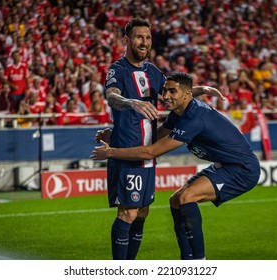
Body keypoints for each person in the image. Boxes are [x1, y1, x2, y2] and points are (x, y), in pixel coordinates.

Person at [91, 72, 260, 259]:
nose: (167, 95)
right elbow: (152, 137)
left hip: (242, 169)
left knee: (187, 197)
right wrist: (114, 137)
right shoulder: (179, 113)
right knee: (176, 201)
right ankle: (186, 260)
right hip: (225, 165)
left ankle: (198, 261)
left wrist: (111, 152)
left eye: (173, 91)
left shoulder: (194, 118)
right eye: (165, 90)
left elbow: (151, 152)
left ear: (187, 95)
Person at [98, 18, 224, 260]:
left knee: (143, 212)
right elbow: (112, 97)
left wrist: (201, 90)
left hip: (148, 153)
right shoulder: (119, 69)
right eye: (138, 37)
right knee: (128, 213)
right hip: (128, 152)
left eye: (147, 37)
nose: (144, 42)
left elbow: (172, 93)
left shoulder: (152, 72)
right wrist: (132, 102)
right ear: (126, 40)